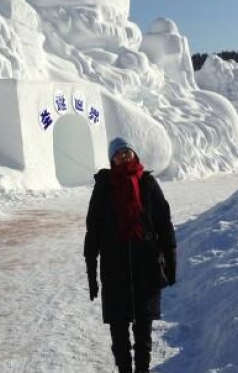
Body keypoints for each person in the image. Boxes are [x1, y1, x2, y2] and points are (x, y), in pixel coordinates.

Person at [84, 137, 177, 373]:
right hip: (114, 269)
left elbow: (163, 223)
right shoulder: (104, 187)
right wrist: (91, 271)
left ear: (134, 155)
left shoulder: (147, 183)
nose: (123, 157)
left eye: (127, 152)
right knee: (119, 332)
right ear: (112, 160)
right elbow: (93, 229)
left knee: (143, 331)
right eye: (118, 154)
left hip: (145, 265)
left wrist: (171, 256)